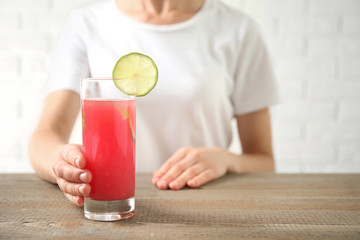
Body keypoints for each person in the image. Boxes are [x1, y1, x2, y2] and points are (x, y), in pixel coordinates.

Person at [29, 0, 278, 206]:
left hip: (208, 206)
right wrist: (62, 163)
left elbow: (264, 162)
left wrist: (226, 160)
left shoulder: (238, 29)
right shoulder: (87, 23)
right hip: (111, 204)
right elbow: (45, 137)